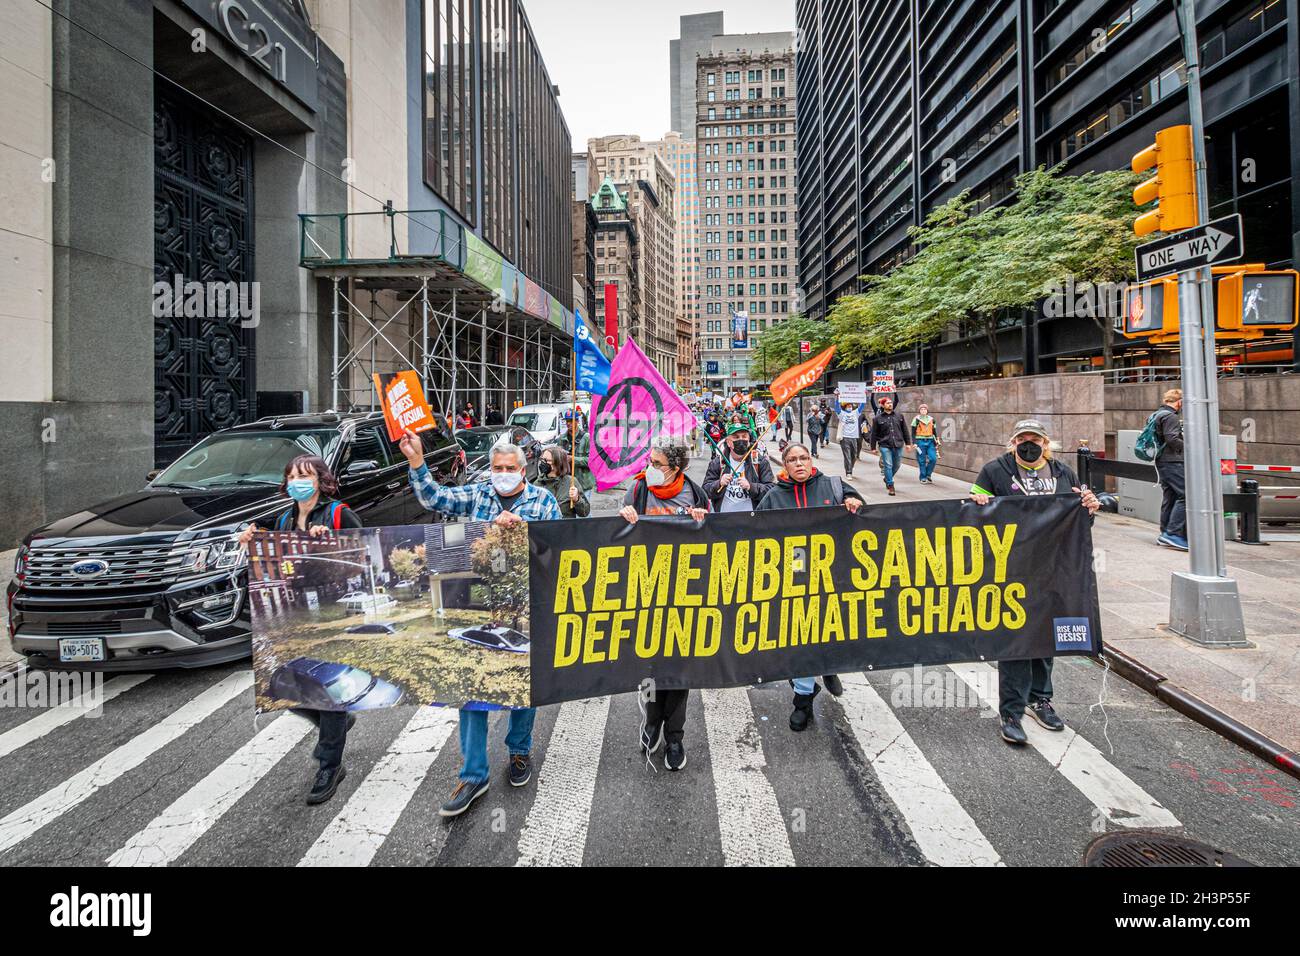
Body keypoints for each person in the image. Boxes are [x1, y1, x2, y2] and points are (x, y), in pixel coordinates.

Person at [398, 430, 562, 817]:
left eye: (509, 468)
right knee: (470, 689)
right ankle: (474, 774)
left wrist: (523, 528)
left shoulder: (542, 500)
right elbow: (435, 498)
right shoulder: (477, 494)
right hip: (479, 606)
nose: (502, 473)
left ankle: (519, 751)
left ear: (524, 470)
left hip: (526, 606)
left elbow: (560, 548)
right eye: (496, 468)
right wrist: (418, 463)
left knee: (523, 686)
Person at [238, 455, 362, 806]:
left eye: (304, 475)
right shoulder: (283, 518)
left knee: (327, 690)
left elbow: (359, 550)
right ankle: (334, 723)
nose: (297, 481)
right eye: (291, 476)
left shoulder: (337, 513)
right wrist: (253, 541)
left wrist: (329, 540)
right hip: (296, 614)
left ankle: (329, 764)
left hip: (333, 611)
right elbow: (277, 558)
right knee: (283, 685)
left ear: (321, 480)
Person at [969, 420, 1100, 746]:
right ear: (1013, 443)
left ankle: (1040, 699)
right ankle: (1011, 712)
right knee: (1016, 639)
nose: (1029, 444)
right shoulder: (994, 471)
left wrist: (1090, 507)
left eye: (1035, 439)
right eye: (1022, 439)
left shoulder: (1063, 473)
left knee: (1045, 636)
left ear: (1046, 443)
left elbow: (1080, 519)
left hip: (1053, 570)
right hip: (1010, 569)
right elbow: (972, 512)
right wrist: (979, 504)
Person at [619, 437, 710, 771]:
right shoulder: (639, 491)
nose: (649, 469)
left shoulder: (695, 494)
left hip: (686, 593)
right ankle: (651, 723)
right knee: (651, 665)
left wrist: (703, 520)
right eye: (649, 462)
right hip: (647, 592)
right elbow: (617, 534)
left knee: (679, 668)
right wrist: (623, 517)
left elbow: (713, 538)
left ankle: (675, 737)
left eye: (656, 464)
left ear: (675, 467)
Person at [757, 442, 863, 730]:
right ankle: (803, 700)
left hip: (833, 575)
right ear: (785, 465)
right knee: (801, 637)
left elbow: (864, 517)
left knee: (830, 630)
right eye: (793, 459)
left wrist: (854, 503)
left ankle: (828, 667)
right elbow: (756, 536)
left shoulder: (832, 486)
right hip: (794, 578)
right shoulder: (773, 497)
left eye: (804, 457)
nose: (800, 463)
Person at [703, 423, 776, 513]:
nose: (741, 440)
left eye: (744, 436)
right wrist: (719, 483)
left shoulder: (759, 461)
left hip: (752, 519)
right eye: (736, 437)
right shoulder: (718, 462)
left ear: (749, 440)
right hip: (723, 519)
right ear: (728, 442)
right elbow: (705, 491)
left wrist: (751, 487)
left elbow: (772, 491)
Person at [1152, 388, 1187, 551]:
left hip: (1162, 461)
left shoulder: (1157, 414)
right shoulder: (1171, 416)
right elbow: (1172, 438)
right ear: (1179, 402)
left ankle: (1165, 533)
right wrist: (1189, 447)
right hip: (1172, 461)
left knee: (1171, 496)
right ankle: (1172, 534)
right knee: (1186, 495)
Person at [868, 394, 913, 496]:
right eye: (888, 403)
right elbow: (874, 434)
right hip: (884, 445)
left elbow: (905, 430)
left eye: (891, 403)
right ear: (883, 405)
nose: (890, 404)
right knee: (888, 465)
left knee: (897, 465)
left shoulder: (899, 416)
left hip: (898, 443)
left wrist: (908, 443)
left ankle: (887, 478)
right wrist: (873, 447)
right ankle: (890, 485)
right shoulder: (877, 418)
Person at [535, 445, 590, 518]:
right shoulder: (538, 483)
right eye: (542, 459)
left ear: (558, 463)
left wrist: (577, 499)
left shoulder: (571, 482)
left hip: (565, 527)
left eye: (547, 460)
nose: (543, 463)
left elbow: (584, 512)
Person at [910, 403, 940, 484]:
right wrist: (914, 442)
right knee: (921, 460)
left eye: (925, 409)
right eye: (921, 409)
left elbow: (934, 431)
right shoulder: (916, 419)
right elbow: (913, 432)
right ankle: (923, 477)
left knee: (933, 459)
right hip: (920, 441)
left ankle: (928, 474)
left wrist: (936, 441)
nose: (923, 410)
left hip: (930, 440)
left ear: (927, 411)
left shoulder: (931, 419)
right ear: (919, 411)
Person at [835, 395, 864, 477]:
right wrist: (837, 397)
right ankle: (849, 472)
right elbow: (837, 407)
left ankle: (850, 467)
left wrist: (864, 395)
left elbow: (862, 405)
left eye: (851, 406)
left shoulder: (856, 413)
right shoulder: (841, 414)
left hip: (854, 437)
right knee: (847, 455)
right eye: (848, 406)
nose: (850, 407)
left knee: (854, 455)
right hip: (844, 437)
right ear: (845, 407)